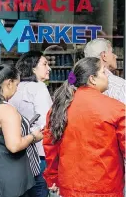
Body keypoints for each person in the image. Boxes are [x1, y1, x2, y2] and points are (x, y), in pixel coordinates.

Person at [43, 57, 125, 197]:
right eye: (104, 73)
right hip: (106, 188)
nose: (108, 77)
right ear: (92, 79)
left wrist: (52, 178)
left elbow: (50, 148)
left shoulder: (59, 108)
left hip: (69, 187)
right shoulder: (115, 108)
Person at [0, 63, 40, 197]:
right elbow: (14, 146)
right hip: (7, 172)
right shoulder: (7, 110)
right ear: (9, 83)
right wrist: (33, 136)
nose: (16, 90)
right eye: (17, 85)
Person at [9, 51, 52, 197]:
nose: (49, 68)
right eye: (45, 64)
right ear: (33, 68)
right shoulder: (39, 88)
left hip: (17, 153)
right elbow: (46, 122)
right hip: (38, 155)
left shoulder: (15, 87)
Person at [84, 38, 125, 104]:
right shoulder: (120, 86)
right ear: (104, 56)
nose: (116, 56)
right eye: (112, 52)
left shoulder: (78, 84)